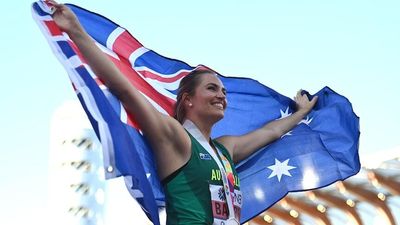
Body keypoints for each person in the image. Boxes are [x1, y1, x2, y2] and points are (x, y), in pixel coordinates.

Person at [49, 1, 318, 224]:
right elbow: (126, 90)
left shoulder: (226, 150)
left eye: (224, 91)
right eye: (212, 89)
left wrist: (300, 113)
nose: (222, 96)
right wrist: (76, 30)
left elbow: (271, 131)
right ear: (188, 100)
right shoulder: (175, 138)